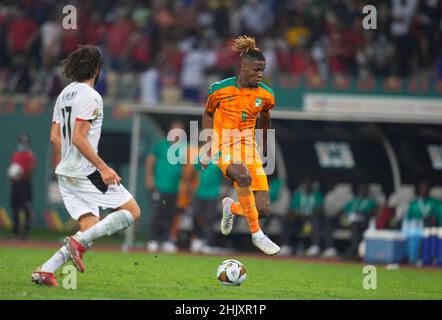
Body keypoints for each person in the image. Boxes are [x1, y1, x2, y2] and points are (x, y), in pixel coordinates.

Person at [32, 45, 141, 287]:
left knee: (90, 226)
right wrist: (103, 167)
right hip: (86, 172)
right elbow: (80, 137)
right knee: (132, 211)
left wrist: (69, 158)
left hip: (66, 172)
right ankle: (76, 244)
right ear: (97, 68)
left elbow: (54, 137)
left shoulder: (65, 93)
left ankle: (46, 270)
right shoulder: (92, 96)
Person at [201, 35, 280, 255]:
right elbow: (208, 113)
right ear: (243, 67)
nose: (260, 74)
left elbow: (265, 118)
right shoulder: (219, 89)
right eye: (256, 70)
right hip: (222, 145)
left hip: (249, 148)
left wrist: (263, 145)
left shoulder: (266, 95)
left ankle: (231, 207)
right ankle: (257, 234)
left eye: (262, 70)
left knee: (262, 209)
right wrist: (207, 147)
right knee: (242, 175)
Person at [145, 121, 186, 253]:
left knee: (171, 215)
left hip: (174, 188)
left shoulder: (183, 148)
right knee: (157, 214)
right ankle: (152, 240)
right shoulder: (161, 145)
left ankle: (167, 240)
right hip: (160, 186)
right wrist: (150, 177)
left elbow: (186, 168)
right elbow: (150, 160)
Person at [279, 179, 324, 257]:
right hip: (299, 220)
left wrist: (308, 217)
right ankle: (285, 246)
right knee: (286, 220)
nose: (307, 186)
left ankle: (314, 247)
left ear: (312, 186)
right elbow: (292, 209)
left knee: (316, 220)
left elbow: (319, 209)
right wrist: (294, 215)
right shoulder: (298, 194)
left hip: (311, 220)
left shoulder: (317, 195)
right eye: (305, 184)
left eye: (309, 184)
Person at [8, 133, 37, 240]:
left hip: (25, 185)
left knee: (26, 209)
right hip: (16, 185)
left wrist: (22, 175)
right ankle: (15, 233)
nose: (23, 144)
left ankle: (25, 233)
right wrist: (12, 176)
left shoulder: (30, 155)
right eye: (21, 142)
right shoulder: (15, 154)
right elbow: (12, 169)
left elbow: (31, 171)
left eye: (25, 142)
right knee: (15, 208)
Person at [341, 183, 378, 259]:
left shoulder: (371, 202)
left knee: (356, 226)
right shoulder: (355, 200)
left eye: (364, 189)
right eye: (361, 189)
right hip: (349, 221)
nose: (362, 191)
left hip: (364, 223)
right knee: (354, 224)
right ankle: (354, 250)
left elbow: (373, 212)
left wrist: (362, 214)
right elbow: (344, 210)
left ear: (367, 191)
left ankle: (354, 251)